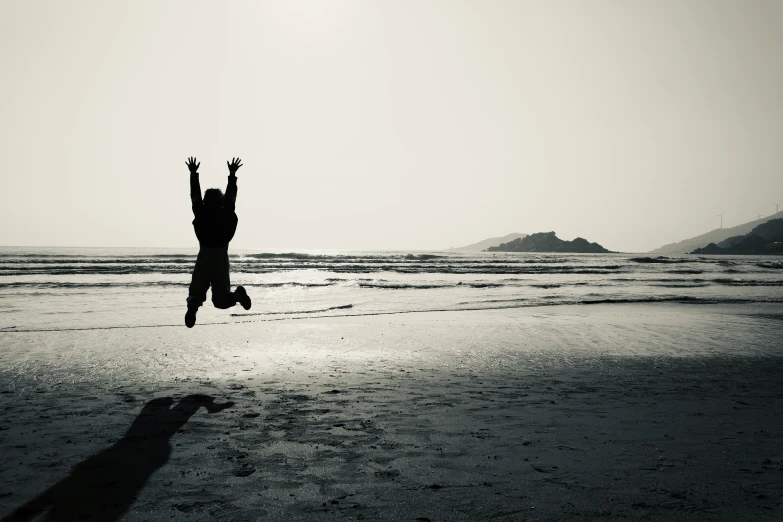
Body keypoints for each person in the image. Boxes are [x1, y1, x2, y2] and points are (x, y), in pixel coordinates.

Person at [184, 156, 251, 328]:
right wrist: (232, 174)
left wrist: (193, 174)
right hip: (221, 260)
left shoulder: (201, 213)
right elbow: (231, 197)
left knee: (196, 294)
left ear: (206, 201)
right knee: (221, 301)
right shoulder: (225, 213)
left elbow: (195, 196)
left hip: (204, 259)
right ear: (220, 201)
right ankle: (236, 296)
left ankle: (192, 307)